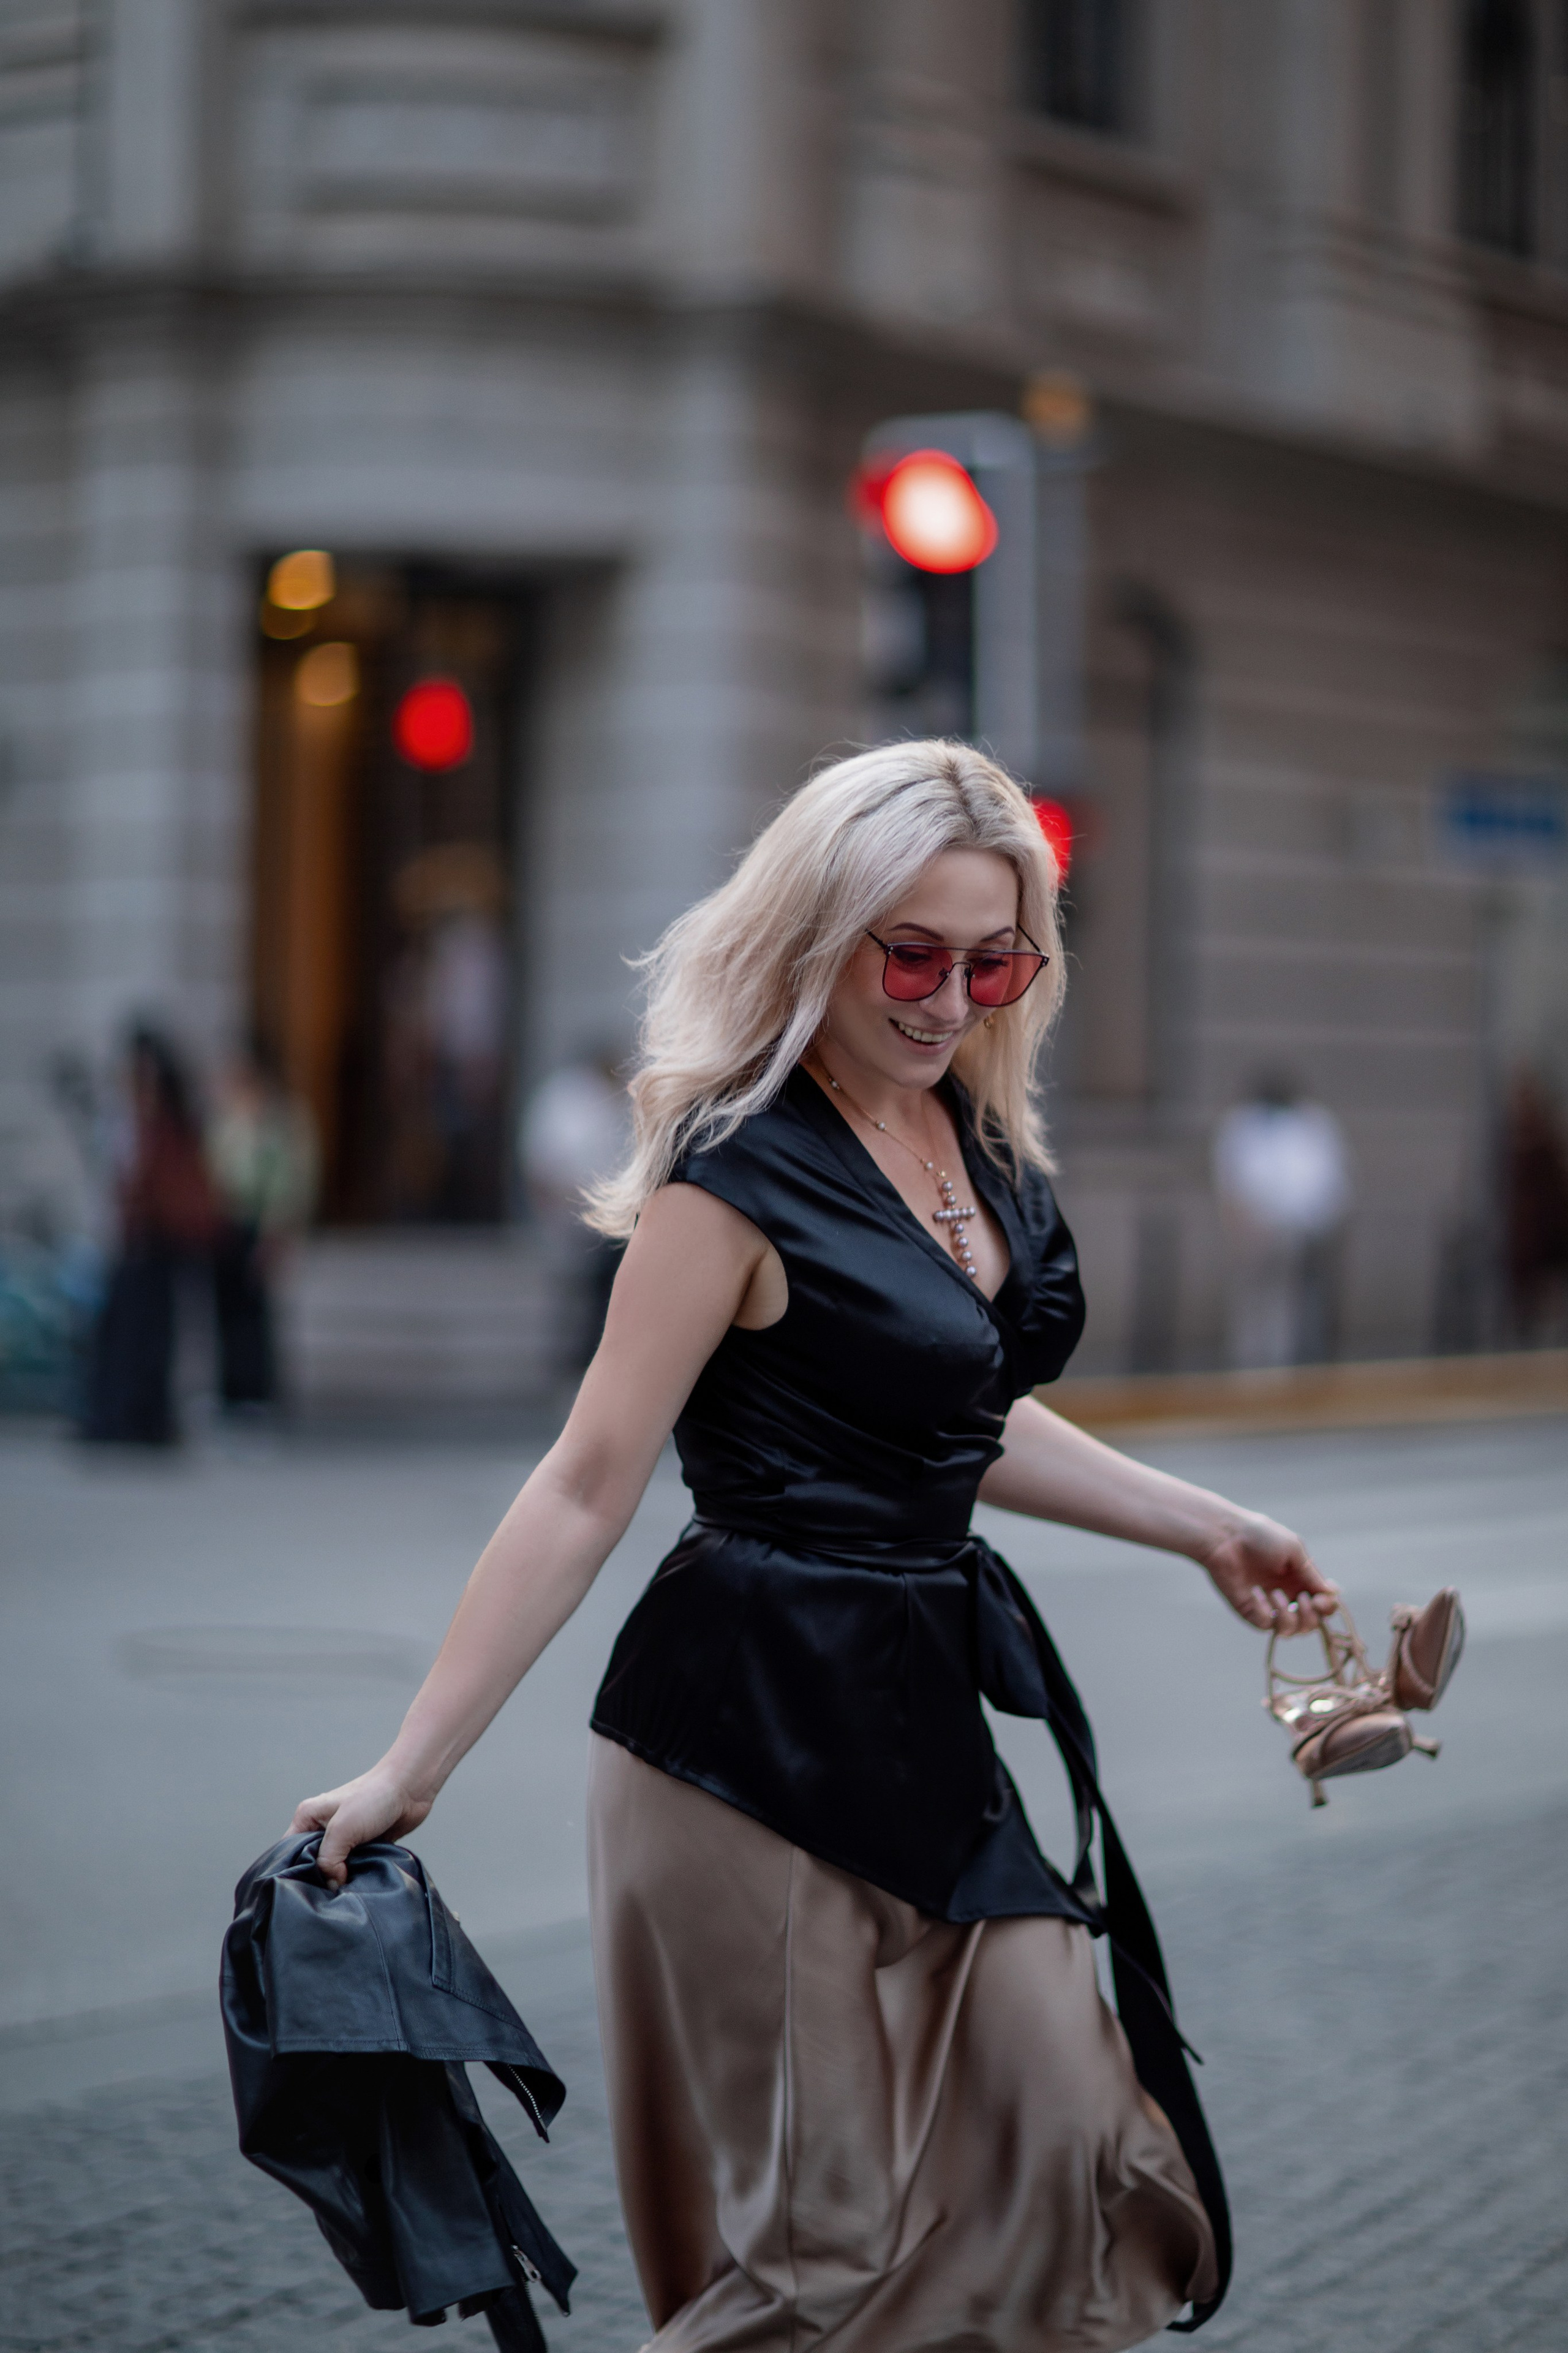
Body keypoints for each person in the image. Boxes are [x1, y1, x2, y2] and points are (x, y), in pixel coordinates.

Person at [292, 743, 1336, 2352]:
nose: (947, 996)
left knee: (1081, 2159)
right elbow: (586, 1481)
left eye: (992, 959)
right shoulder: (738, 1168)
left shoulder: (973, 1142)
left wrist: (1209, 1526)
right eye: (908, 952)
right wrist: (409, 1767)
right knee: (816, 2262)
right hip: (744, 1733)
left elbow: (955, 1413)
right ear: (813, 934)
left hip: (923, 1701)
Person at [80, 1024, 219, 1445]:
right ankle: (123, 1414)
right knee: (126, 1332)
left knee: (152, 1334)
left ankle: (145, 1416)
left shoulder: (169, 1120)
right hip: (136, 1241)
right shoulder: (127, 1117)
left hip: (159, 1239)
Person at [208, 1039, 319, 1410]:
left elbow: (294, 1178)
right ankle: (231, 1394)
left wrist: (279, 1229)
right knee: (226, 1314)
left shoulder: (281, 1119)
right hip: (226, 1224)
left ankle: (257, 1394)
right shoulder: (228, 1115)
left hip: (262, 1222)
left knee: (254, 1317)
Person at [1213, 1074, 1352, 1368]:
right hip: (1256, 1229)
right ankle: (1251, 1369)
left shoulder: (1312, 1123)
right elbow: (1231, 1180)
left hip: (1305, 1231)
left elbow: (1328, 1182)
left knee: (1295, 1305)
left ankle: (1288, 1366)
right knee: (1255, 1306)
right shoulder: (1244, 1124)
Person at [518, 1048, 631, 1370]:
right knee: (573, 1288)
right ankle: (569, 1355)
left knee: (596, 1289)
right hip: (569, 1207)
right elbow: (545, 1160)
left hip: (604, 1210)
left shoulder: (610, 1100)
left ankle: (582, 1352)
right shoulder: (568, 1098)